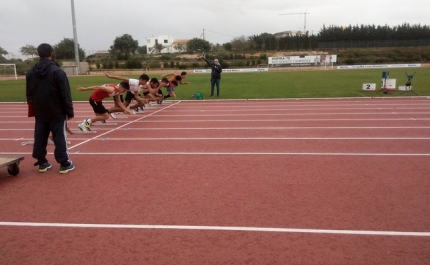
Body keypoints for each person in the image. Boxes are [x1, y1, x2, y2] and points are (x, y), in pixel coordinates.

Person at [26, 43, 75, 174]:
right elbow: (65, 93)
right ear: (51, 54)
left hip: (40, 110)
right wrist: (69, 111)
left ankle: (42, 162)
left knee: (40, 136)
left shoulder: (31, 72)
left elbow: (29, 94)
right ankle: (64, 163)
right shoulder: (58, 71)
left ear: (38, 54)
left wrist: (33, 108)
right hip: (56, 111)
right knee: (59, 137)